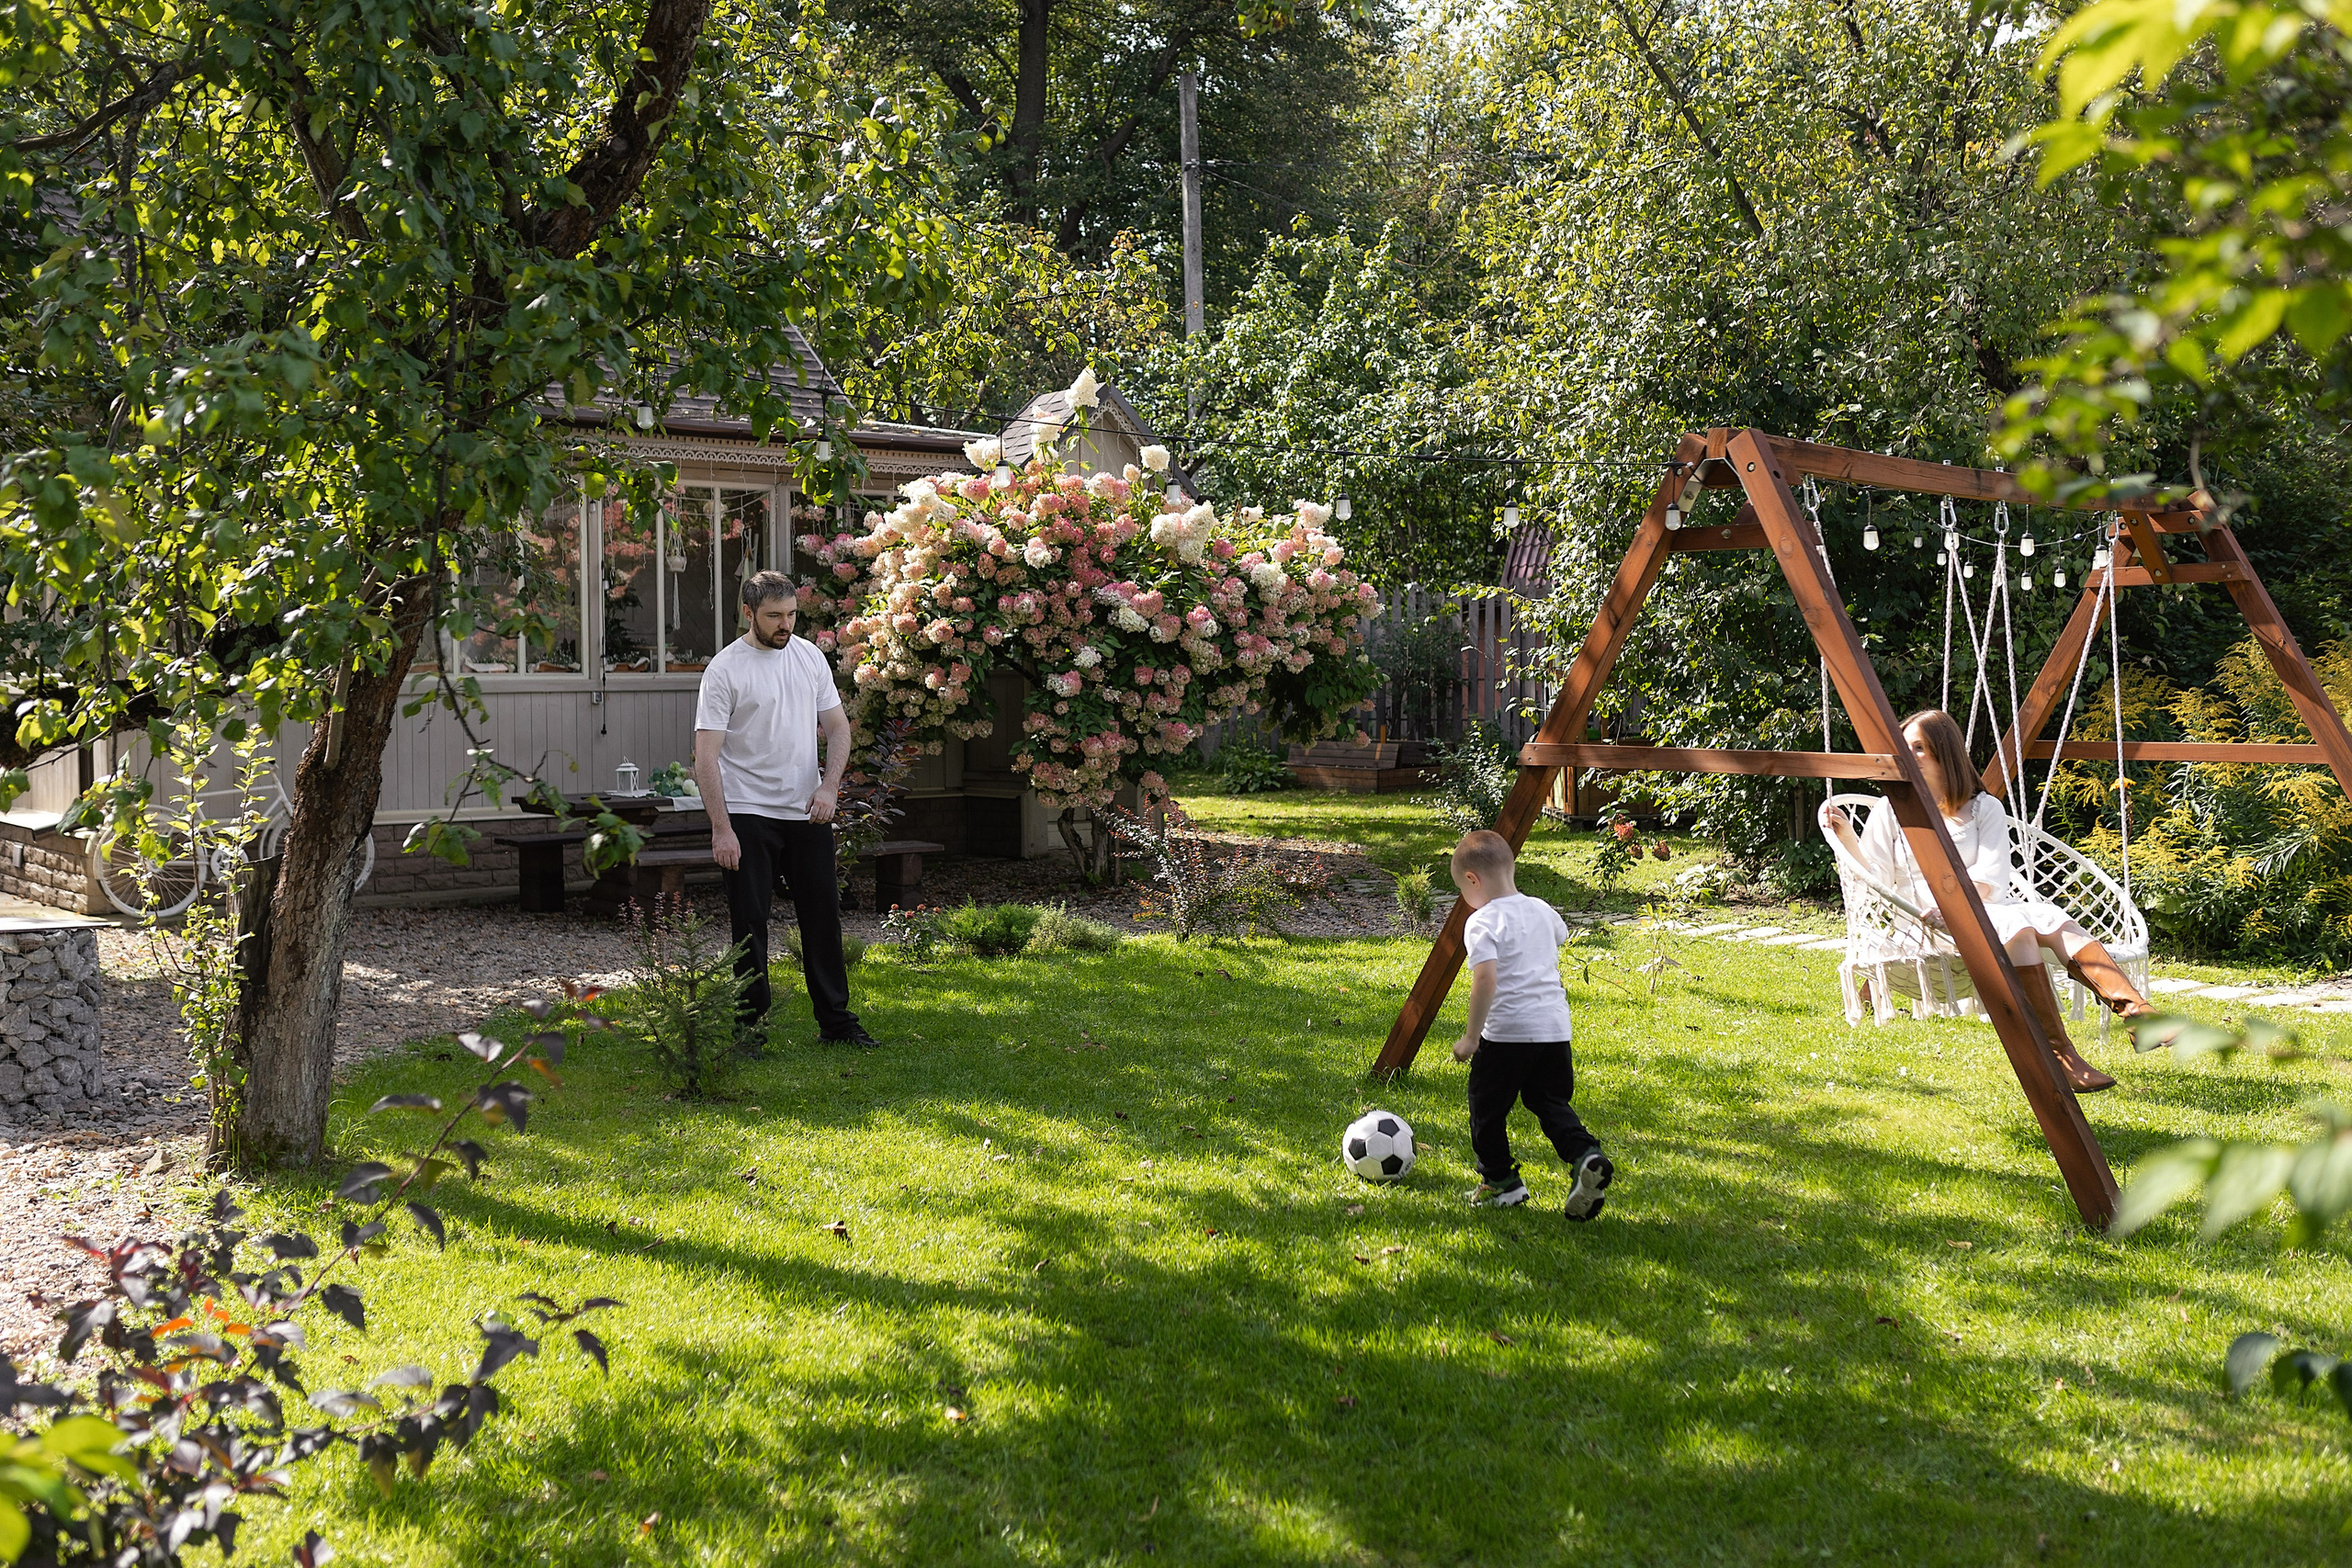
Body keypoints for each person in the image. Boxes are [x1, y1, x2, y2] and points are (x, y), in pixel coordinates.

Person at [1823, 707, 2154, 1093]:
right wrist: (1847, 838)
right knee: (2021, 928)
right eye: (1905, 747)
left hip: (1983, 907)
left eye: (1919, 748)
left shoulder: (1984, 808)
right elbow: (1876, 879)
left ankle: (2136, 1013)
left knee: (2045, 917)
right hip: (1923, 924)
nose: (1909, 755)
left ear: (1944, 754)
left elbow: (1992, 876)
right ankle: (2061, 1055)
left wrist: (1959, 906)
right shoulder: (1891, 810)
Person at [692, 570, 878, 1049]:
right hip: (748, 812)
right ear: (749, 614)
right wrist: (721, 829)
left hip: (806, 811)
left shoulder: (810, 657)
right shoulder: (725, 670)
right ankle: (749, 1030)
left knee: (823, 917)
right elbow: (705, 757)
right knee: (749, 925)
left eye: (791, 614)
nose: (785, 625)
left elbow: (838, 730)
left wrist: (829, 788)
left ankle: (837, 1023)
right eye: (774, 616)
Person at [1448, 829, 1614, 1218]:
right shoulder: (1542, 909)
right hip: (1554, 1030)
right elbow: (1561, 935)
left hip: (1507, 1034)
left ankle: (1500, 1182)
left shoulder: (1481, 921)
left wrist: (1472, 1037)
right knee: (1549, 1102)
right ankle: (1584, 1154)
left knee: (1486, 1109)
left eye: (1462, 889)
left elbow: (1485, 979)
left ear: (1472, 880)